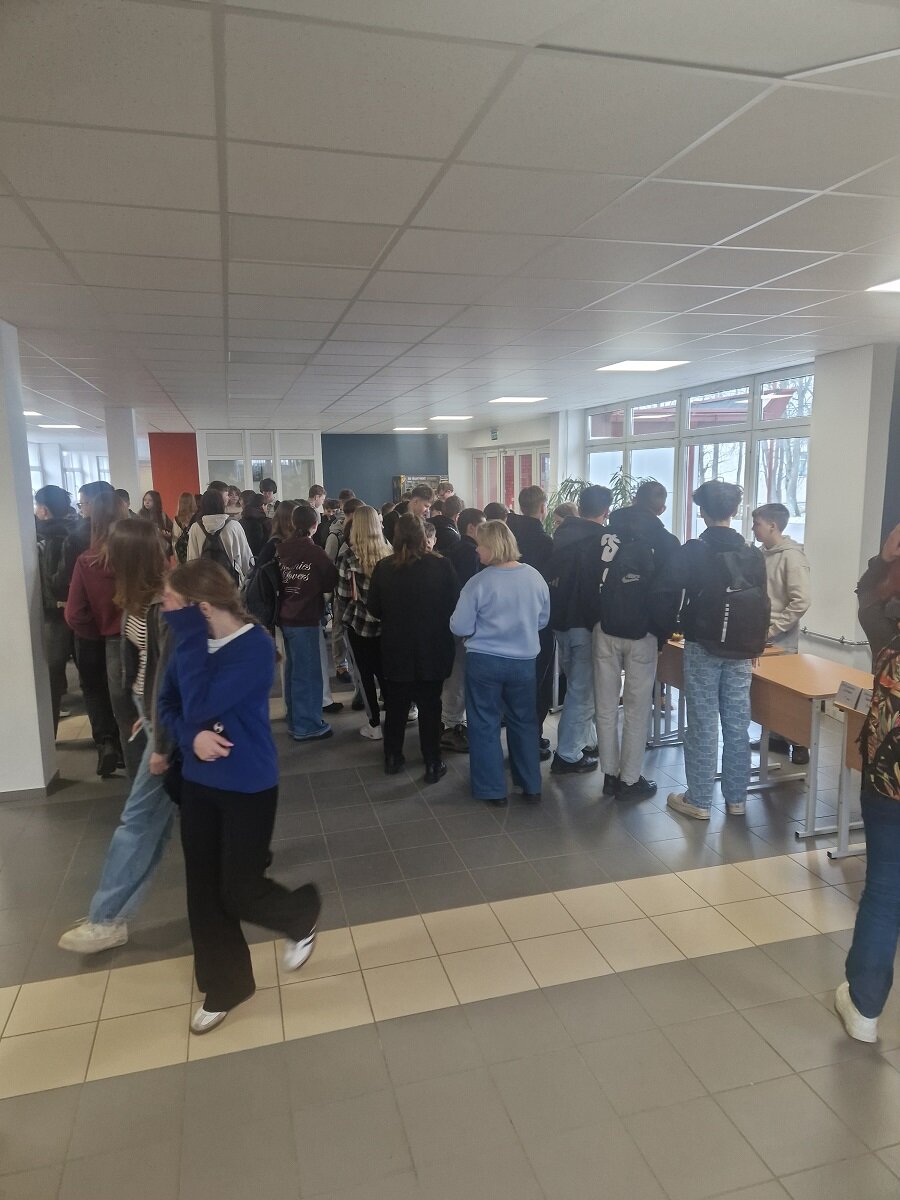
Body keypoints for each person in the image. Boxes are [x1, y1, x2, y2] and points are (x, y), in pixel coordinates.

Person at [158, 559, 321, 1034]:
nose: (164, 609)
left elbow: (201, 702)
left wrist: (191, 637)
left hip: (248, 785)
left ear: (202, 607)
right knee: (203, 891)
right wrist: (191, 738)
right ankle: (226, 984)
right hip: (198, 784)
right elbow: (168, 704)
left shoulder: (254, 647)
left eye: (173, 602)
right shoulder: (187, 642)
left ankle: (300, 913)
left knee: (239, 889)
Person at [58, 519, 175, 954]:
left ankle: (106, 918)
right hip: (150, 720)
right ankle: (113, 916)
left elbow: (172, 680)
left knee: (138, 821)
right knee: (151, 824)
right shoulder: (138, 602)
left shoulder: (166, 606)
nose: (102, 557)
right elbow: (141, 668)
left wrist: (162, 741)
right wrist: (137, 715)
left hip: (164, 727)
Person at [656, 481, 770, 821]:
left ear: (702, 511)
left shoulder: (694, 550)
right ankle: (736, 799)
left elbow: (667, 588)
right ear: (734, 512)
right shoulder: (752, 553)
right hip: (742, 649)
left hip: (702, 645)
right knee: (737, 724)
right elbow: (763, 600)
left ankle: (700, 800)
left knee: (703, 723)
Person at [835, 542, 900, 1043]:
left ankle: (864, 1010)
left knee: (884, 891)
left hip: (888, 784)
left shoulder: (887, 637)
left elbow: (865, 597)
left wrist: (883, 560)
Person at [451, 520, 550, 807]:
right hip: (523, 662)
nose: (476, 550)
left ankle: (492, 789)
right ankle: (531, 784)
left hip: (484, 662)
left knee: (484, 723)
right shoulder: (534, 577)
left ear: (491, 547)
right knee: (524, 722)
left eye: (479, 545)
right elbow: (542, 620)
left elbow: (460, 626)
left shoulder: (478, 583)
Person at [594, 481, 681, 797]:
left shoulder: (607, 533)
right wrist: (662, 633)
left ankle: (608, 774)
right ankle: (629, 779)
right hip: (643, 633)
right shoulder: (666, 542)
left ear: (633, 500)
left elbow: (593, 578)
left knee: (605, 705)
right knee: (636, 707)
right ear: (661, 508)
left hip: (605, 628)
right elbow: (671, 593)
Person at [368, 514, 459, 782]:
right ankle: (432, 761)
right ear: (423, 536)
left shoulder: (384, 567)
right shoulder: (442, 565)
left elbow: (374, 608)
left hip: (396, 646)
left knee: (396, 705)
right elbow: (455, 603)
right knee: (430, 706)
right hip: (433, 646)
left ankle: (393, 756)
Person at [65, 491, 142, 778]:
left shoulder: (88, 560)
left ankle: (120, 757)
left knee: (116, 707)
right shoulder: (143, 553)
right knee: (151, 707)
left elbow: (74, 613)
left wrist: (95, 630)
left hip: (110, 641)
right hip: (147, 636)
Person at [545, 485, 611, 777]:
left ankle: (586, 741)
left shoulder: (562, 534)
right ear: (606, 511)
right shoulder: (601, 541)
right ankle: (568, 755)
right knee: (582, 692)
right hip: (585, 623)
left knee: (577, 686)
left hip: (561, 621)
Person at [751, 501, 812, 764]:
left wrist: (774, 629)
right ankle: (774, 738)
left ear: (773, 526)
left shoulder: (792, 557)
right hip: (761, 634)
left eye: (757, 524)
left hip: (781, 638)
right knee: (766, 693)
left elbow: (801, 601)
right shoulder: (760, 554)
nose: (753, 529)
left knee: (787, 696)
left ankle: (799, 744)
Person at [277, 504, 338, 742]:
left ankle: (295, 719)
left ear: (293, 523)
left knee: (294, 671)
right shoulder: (314, 552)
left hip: (285, 616)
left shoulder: (281, 549)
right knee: (309, 674)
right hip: (306, 617)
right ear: (315, 525)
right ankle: (308, 725)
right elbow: (331, 579)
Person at [507, 486, 555, 761]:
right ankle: (531, 739)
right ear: (543, 508)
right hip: (537, 623)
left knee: (516, 685)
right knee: (538, 683)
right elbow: (549, 585)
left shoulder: (508, 535)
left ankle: (520, 736)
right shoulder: (544, 542)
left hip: (508, 620)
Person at [336, 506, 391, 740]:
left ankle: (374, 724)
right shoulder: (389, 552)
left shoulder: (348, 557)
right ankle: (396, 717)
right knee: (386, 672)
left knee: (364, 675)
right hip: (387, 625)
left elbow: (343, 595)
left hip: (359, 624)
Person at [441, 508, 485, 755]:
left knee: (456, 674)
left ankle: (453, 720)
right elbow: (469, 591)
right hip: (463, 623)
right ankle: (452, 724)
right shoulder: (470, 553)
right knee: (458, 674)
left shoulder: (455, 549)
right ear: (471, 527)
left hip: (454, 619)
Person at [35, 484, 76, 734]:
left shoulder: (41, 539)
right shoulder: (75, 533)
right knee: (91, 679)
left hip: (53, 614)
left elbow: (47, 581)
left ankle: (47, 738)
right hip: (79, 612)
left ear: (45, 509)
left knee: (51, 675)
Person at [187, 488, 253, 584]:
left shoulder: (195, 528)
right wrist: (250, 577)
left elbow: (192, 558)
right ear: (221, 504)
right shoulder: (234, 526)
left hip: (205, 582)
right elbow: (245, 556)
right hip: (230, 581)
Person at [449, 508, 485, 587]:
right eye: (483, 527)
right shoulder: (473, 552)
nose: (485, 531)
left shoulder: (454, 546)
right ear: (471, 528)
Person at [139, 489, 174, 556]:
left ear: (156, 501)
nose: (147, 502)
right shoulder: (140, 515)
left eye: (150, 500)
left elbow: (170, 530)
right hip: (146, 549)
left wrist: (167, 534)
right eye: (145, 500)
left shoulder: (162, 515)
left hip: (161, 549)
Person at [239, 490, 272, 558]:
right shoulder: (265, 522)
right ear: (262, 506)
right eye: (266, 505)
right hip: (261, 558)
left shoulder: (241, 520)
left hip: (245, 557)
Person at [172, 492, 197, 564]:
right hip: (194, 552)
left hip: (182, 554)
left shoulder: (177, 520)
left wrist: (177, 559)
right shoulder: (197, 518)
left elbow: (175, 540)